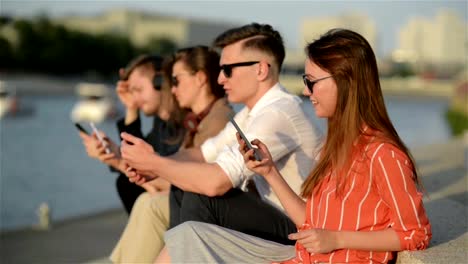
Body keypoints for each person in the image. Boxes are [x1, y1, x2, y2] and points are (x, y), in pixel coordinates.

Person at [158, 28, 432, 264]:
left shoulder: (383, 154)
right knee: (187, 234)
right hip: (298, 257)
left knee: (191, 236)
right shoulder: (334, 148)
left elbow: (416, 233)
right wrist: (269, 173)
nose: (305, 92)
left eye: (311, 82)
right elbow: (309, 223)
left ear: (346, 82)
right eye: (305, 82)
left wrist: (336, 238)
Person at [120, 22, 323, 247]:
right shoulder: (251, 113)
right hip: (274, 217)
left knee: (202, 195)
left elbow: (215, 183)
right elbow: (204, 153)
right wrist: (153, 164)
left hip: (301, 231)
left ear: (260, 70)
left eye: (227, 70)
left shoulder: (277, 114)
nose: (220, 79)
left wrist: (155, 164)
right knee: (183, 186)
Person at [109, 45, 233, 263]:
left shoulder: (217, 120)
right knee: (144, 198)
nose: (172, 89)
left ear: (200, 78)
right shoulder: (201, 119)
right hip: (193, 204)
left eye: (176, 81)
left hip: (208, 210)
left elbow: (197, 176)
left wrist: (141, 166)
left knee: (150, 204)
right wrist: (145, 166)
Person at [79, 54, 185, 214]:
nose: (135, 98)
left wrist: (118, 161)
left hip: (180, 214)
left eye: (139, 90)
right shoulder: (161, 124)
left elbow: (168, 180)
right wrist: (130, 108)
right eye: (132, 91)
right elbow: (138, 159)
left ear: (161, 82)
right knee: (125, 182)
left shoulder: (183, 125)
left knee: (126, 183)